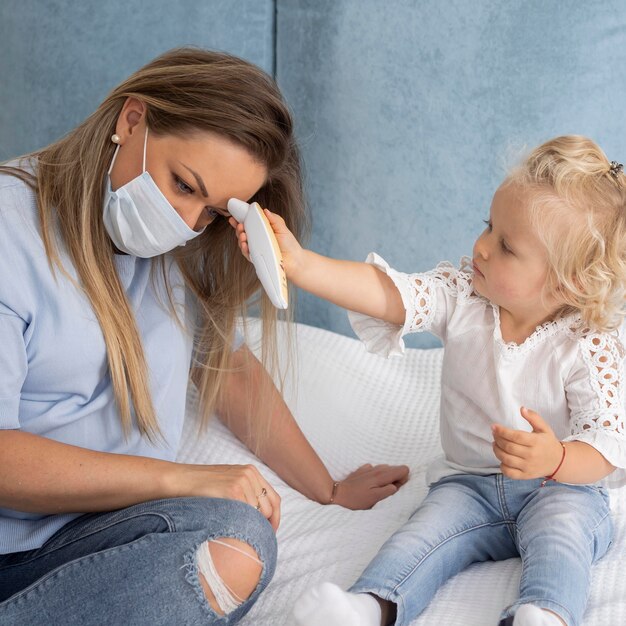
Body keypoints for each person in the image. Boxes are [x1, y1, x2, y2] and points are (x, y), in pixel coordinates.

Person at [0, 48, 409, 625]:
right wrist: (179, 478)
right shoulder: (9, 230)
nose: (186, 223)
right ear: (132, 120)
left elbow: (228, 372)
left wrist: (330, 488)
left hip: (101, 538)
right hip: (12, 554)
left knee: (238, 544)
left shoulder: (170, 256)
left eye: (213, 212)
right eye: (183, 185)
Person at [232, 136, 626, 626]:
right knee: (421, 537)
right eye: (488, 226)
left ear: (569, 283)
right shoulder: (463, 295)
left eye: (505, 246)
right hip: (469, 483)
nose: (480, 246)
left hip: (559, 487)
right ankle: (367, 606)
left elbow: (607, 441)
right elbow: (389, 294)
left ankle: (545, 613)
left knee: (565, 535)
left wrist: (557, 458)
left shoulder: (586, 342)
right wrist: (300, 264)